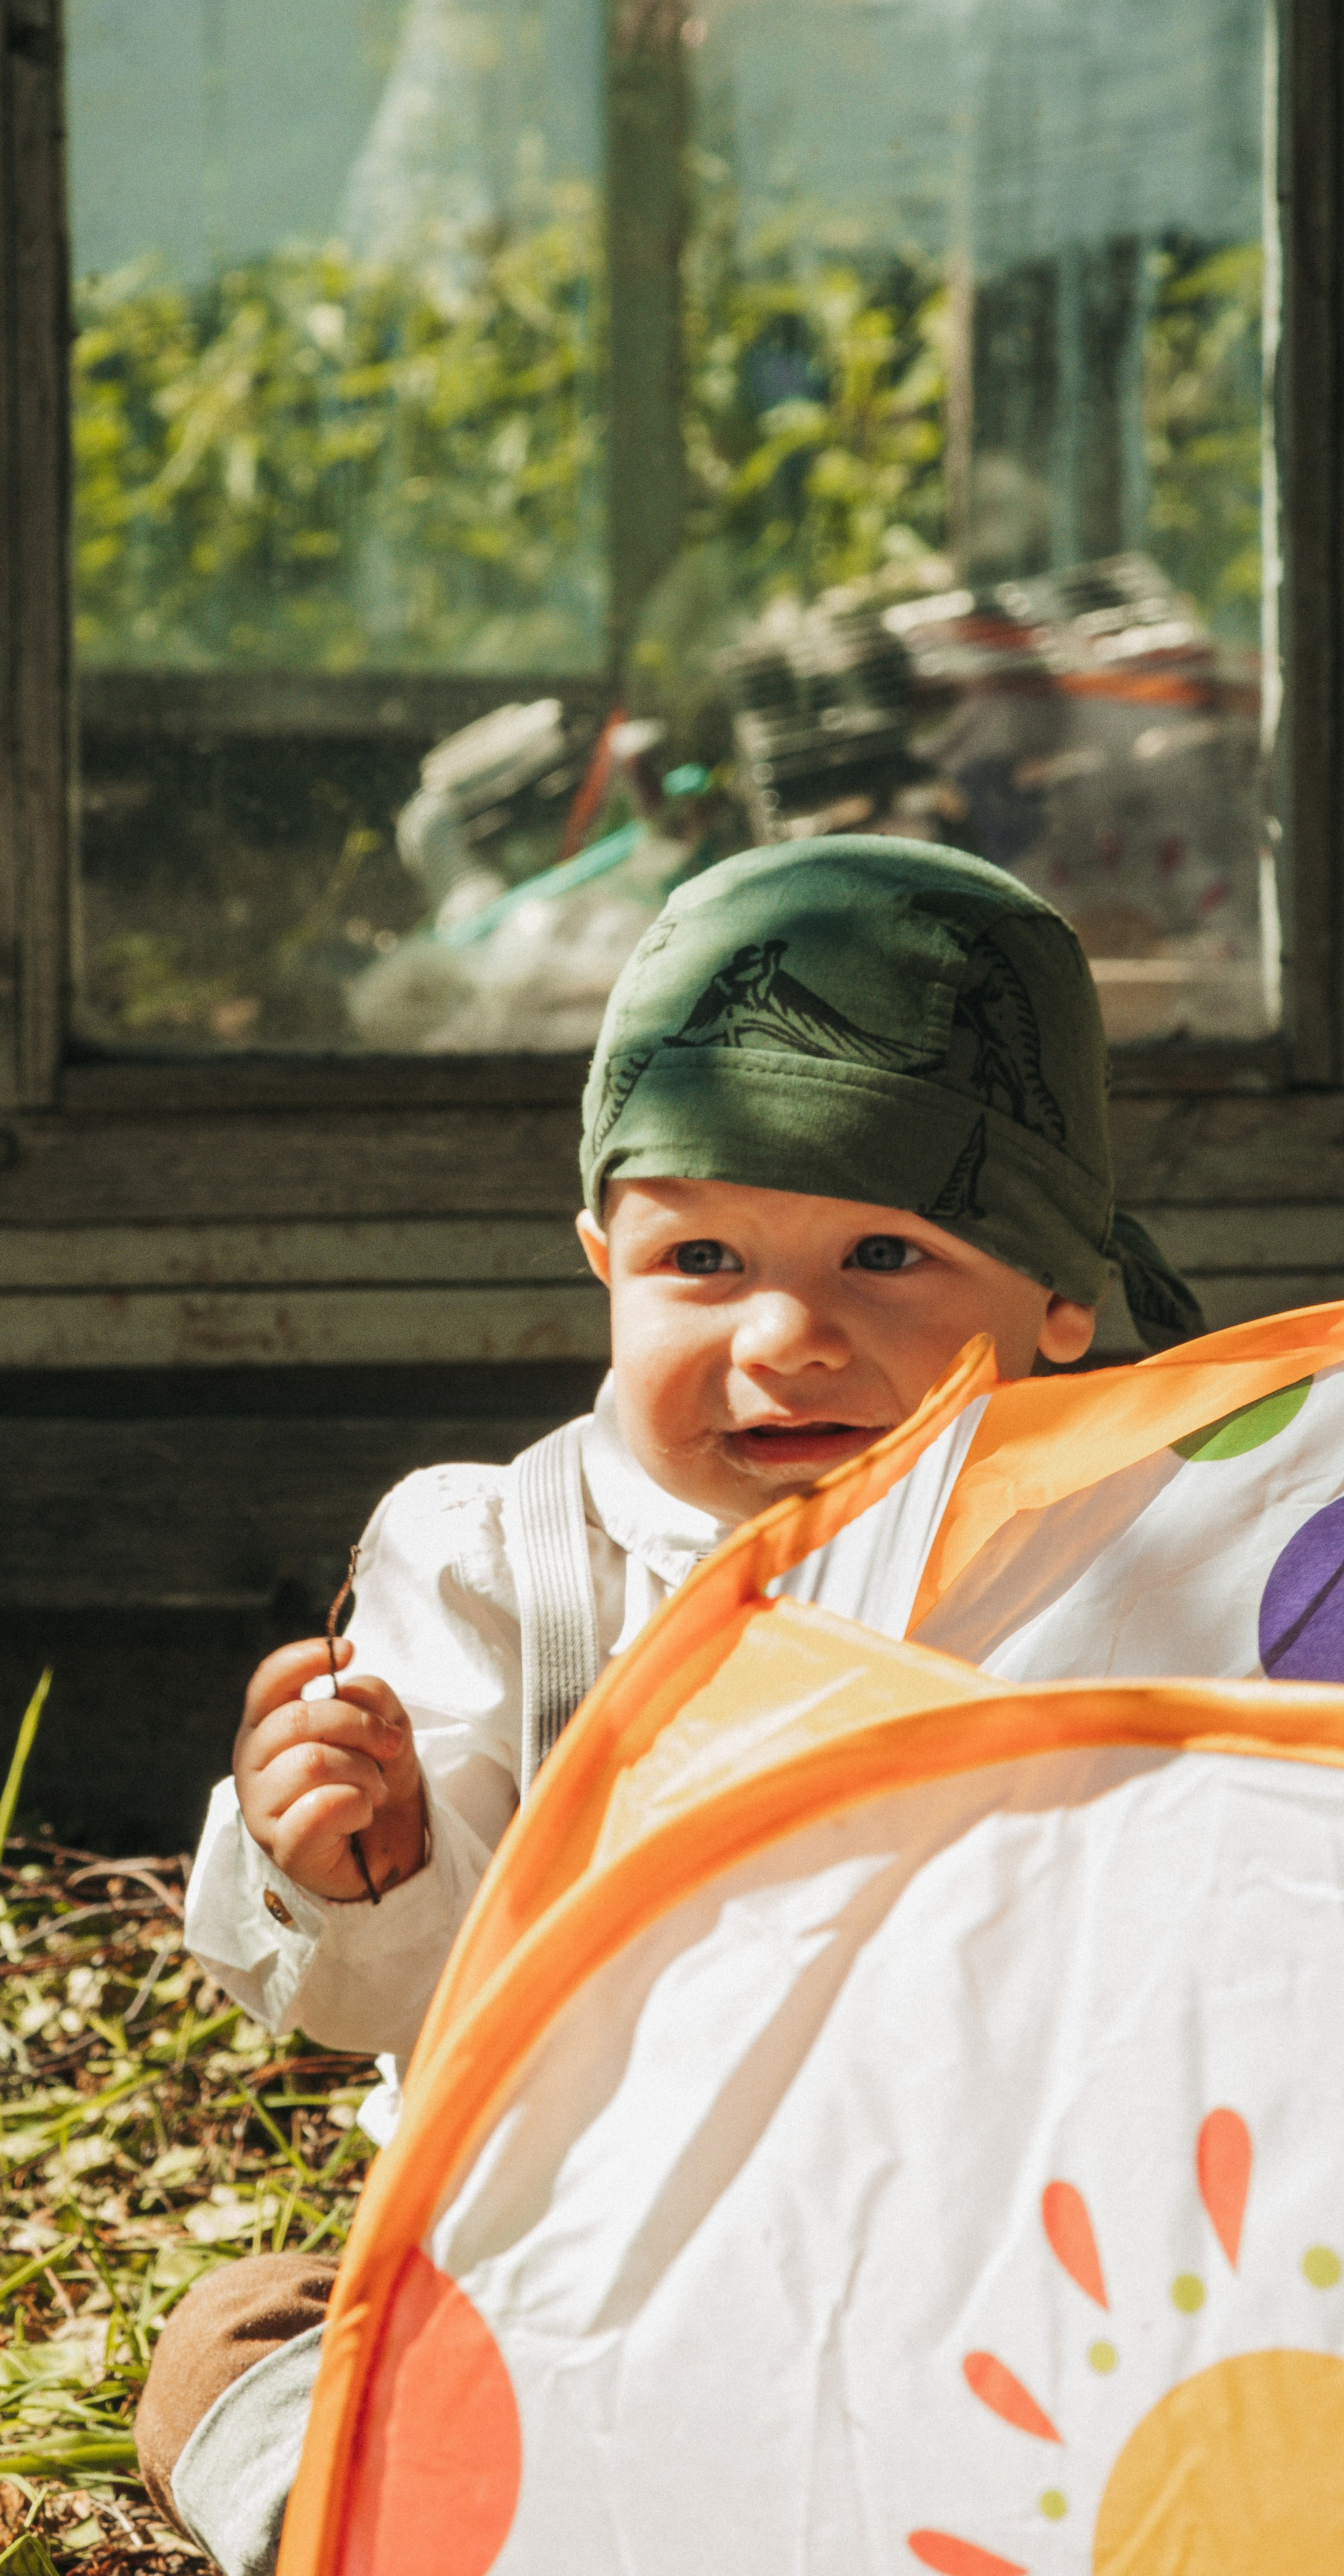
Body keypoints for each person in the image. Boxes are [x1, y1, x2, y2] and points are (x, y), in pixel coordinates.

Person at [136, 834, 1202, 2569]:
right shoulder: (504, 1564)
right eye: (702, 1257)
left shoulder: (1146, 1547)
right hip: (595, 2265)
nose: (782, 1337)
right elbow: (393, 2004)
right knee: (247, 2338)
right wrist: (359, 1865)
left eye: (883, 1256)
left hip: (1015, 2257)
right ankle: (422, 2520)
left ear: (1061, 1301)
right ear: (600, 1256)